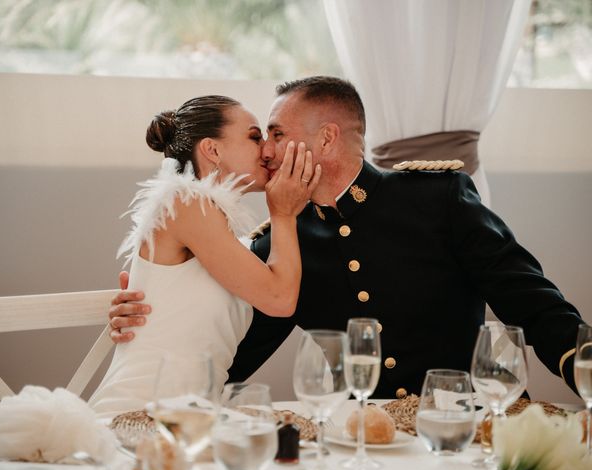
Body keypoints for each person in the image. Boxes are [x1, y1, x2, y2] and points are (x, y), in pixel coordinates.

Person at [108, 77, 584, 399]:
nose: (267, 151)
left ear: (327, 139)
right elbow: (232, 344)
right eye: (260, 137)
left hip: (466, 424)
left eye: (274, 134)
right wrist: (153, 315)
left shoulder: (437, 198)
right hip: (363, 446)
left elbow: (532, 303)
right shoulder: (282, 240)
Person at [88, 95, 320, 417]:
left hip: (193, 420)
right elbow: (280, 299)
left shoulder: (218, 228)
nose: (267, 150)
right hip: (139, 416)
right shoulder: (186, 203)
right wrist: (283, 214)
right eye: (254, 137)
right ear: (212, 150)